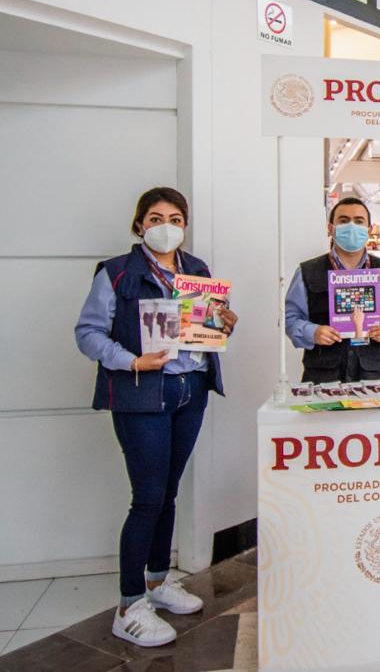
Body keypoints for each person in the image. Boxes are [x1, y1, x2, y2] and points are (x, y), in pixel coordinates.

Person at [75, 187, 238, 647]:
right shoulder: (116, 273)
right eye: (155, 218)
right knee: (147, 497)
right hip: (143, 393)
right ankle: (129, 606)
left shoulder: (197, 270)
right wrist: (131, 361)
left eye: (175, 219)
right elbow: (87, 333)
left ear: (185, 226)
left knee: (168, 491)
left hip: (191, 389)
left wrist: (224, 322)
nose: (166, 226)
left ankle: (157, 581)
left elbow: (208, 326)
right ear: (139, 225)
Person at [285, 197, 380, 383]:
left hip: (374, 378)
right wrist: (312, 332)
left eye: (359, 221)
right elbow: (290, 318)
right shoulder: (307, 271)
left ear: (369, 230)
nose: (352, 226)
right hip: (323, 379)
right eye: (344, 221)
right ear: (331, 228)